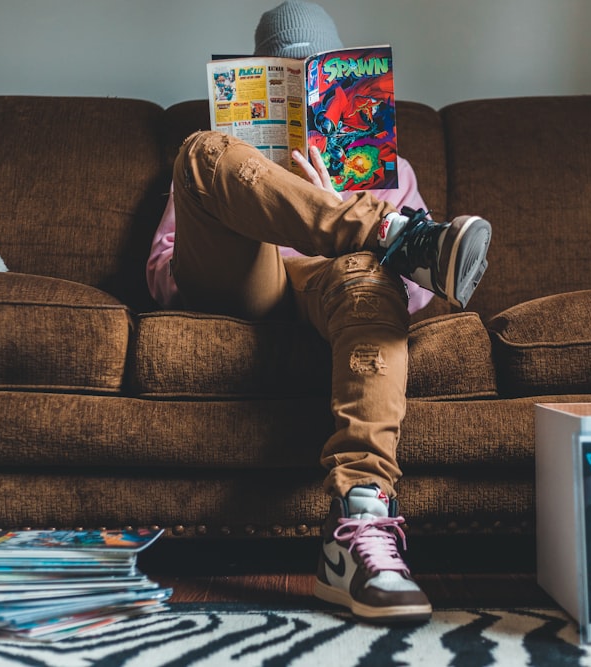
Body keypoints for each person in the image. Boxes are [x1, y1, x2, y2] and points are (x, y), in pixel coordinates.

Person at [146, 0, 492, 624]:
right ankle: (387, 233)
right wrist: (271, 208)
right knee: (201, 151)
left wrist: (337, 199)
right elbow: (165, 274)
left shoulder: (388, 167)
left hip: (334, 288)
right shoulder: (231, 155)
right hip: (246, 283)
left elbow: (412, 299)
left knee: (369, 273)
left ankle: (357, 524)